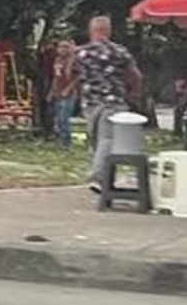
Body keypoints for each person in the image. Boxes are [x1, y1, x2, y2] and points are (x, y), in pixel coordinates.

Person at [72, 16, 143, 192]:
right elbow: (136, 76)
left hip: (90, 104)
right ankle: (102, 178)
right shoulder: (120, 52)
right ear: (109, 31)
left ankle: (101, 178)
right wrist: (134, 93)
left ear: (91, 31)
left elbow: (70, 73)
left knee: (98, 141)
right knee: (108, 140)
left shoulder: (81, 52)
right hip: (114, 102)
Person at [48, 40, 79, 148]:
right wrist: (51, 91)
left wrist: (68, 89)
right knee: (58, 119)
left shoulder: (73, 61)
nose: (63, 49)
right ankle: (61, 140)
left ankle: (67, 142)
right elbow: (56, 77)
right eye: (61, 47)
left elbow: (77, 78)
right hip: (57, 92)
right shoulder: (57, 61)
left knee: (64, 117)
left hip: (69, 94)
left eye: (66, 47)